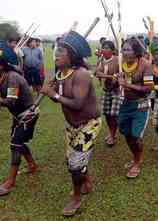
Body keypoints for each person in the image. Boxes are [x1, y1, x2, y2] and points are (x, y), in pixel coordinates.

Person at [41, 31, 101, 216]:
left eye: (61, 52)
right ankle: (87, 183)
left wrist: (54, 95)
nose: (56, 55)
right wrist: (52, 93)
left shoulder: (81, 74)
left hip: (88, 124)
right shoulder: (60, 74)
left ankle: (76, 199)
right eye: (56, 51)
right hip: (71, 125)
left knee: (75, 165)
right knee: (73, 160)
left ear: (72, 56)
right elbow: (58, 99)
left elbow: (77, 103)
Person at [0, 43, 39, 196]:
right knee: (17, 142)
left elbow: (10, 102)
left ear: (1, 66)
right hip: (18, 115)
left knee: (15, 144)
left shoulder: (13, 78)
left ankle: (10, 182)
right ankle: (32, 165)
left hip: (28, 115)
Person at [117, 38, 153, 178]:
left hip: (141, 104)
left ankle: (137, 162)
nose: (125, 52)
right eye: (123, 49)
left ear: (136, 51)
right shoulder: (122, 64)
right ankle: (135, 156)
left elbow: (149, 89)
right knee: (125, 132)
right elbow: (117, 80)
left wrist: (128, 85)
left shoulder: (145, 65)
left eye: (128, 50)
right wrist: (117, 78)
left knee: (136, 135)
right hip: (126, 103)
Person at [95, 40, 122, 146]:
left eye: (107, 48)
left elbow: (122, 73)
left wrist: (118, 76)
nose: (104, 50)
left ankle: (112, 135)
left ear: (113, 50)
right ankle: (111, 132)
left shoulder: (117, 60)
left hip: (116, 91)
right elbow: (97, 73)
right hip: (106, 90)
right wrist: (111, 77)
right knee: (107, 113)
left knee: (113, 114)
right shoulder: (101, 60)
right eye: (103, 48)